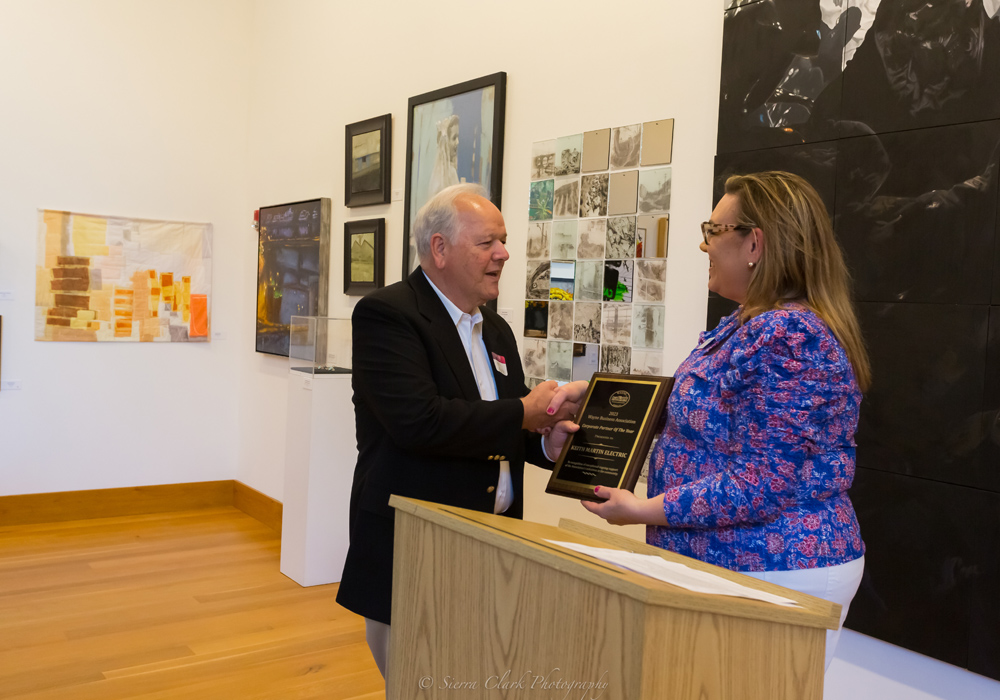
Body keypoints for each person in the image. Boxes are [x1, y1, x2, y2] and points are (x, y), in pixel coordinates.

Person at [581, 171, 870, 670]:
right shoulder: (751, 321)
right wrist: (592, 402)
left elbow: (762, 482)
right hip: (733, 565)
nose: (704, 245)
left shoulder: (788, 335)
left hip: (776, 567)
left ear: (754, 243)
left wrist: (642, 510)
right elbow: (705, 415)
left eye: (714, 231)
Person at [336, 183, 585, 681]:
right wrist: (524, 411)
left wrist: (543, 440)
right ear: (440, 249)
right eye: (487, 242)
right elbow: (420, 423)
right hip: (417, 550)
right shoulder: (389, 315)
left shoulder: (496, 329)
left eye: (503, 240)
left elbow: (497, 426)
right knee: (417, 681)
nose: (504, 253)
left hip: (493, 544)